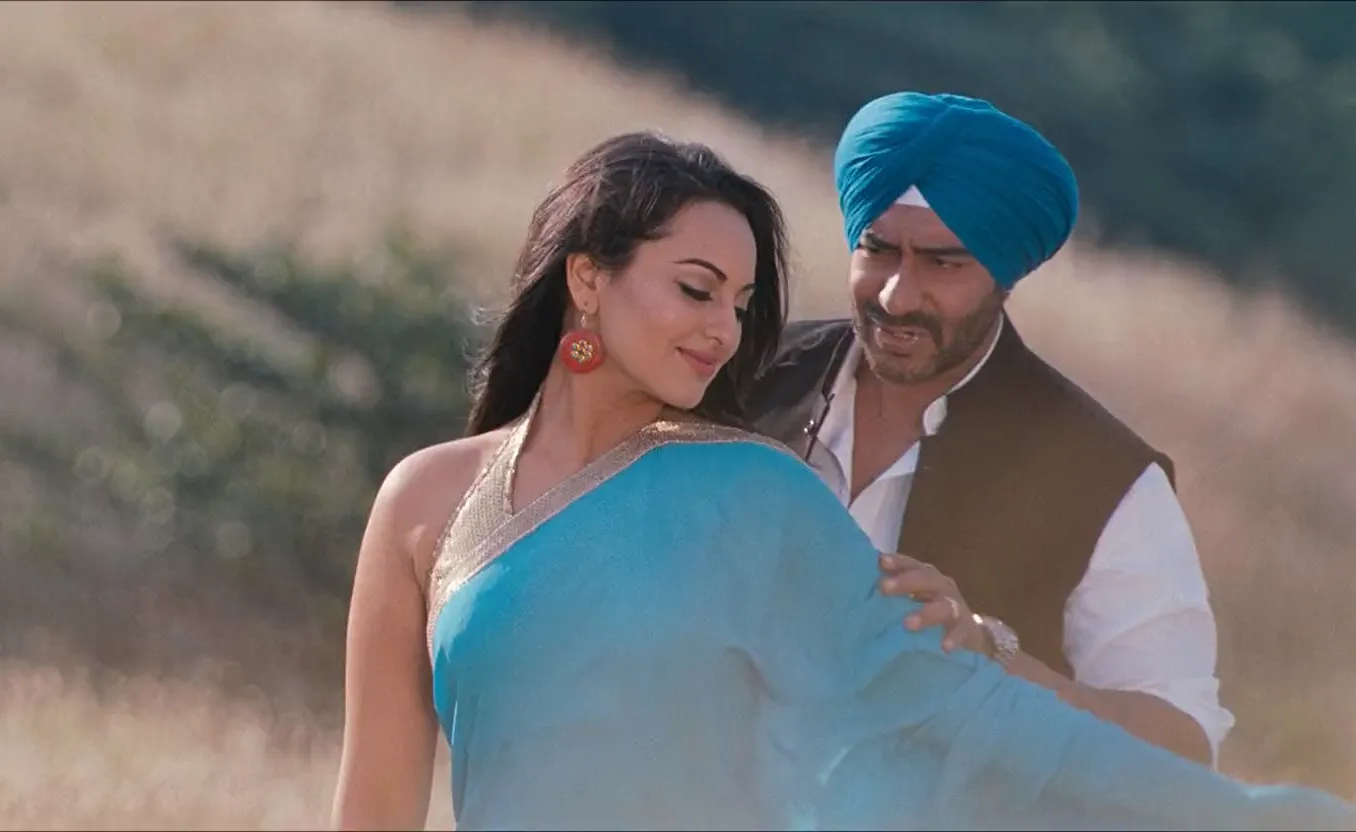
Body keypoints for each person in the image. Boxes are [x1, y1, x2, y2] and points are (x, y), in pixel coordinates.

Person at [329, 129, 1352, 831]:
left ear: (1003, 276)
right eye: (696, 289)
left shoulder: (760, 490)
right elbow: (372, 807)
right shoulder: (423, 501)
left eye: (739, 303)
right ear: (588, 278)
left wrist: (990, 650)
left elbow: (981, 721)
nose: (722, 329)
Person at [743, 91, 1228, 766]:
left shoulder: (1105, 478)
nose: (897, 295)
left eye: (943, 263)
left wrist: (990, 659)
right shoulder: (741, 373)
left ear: (1005, 274)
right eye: (878, 250)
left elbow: (1183, 749)